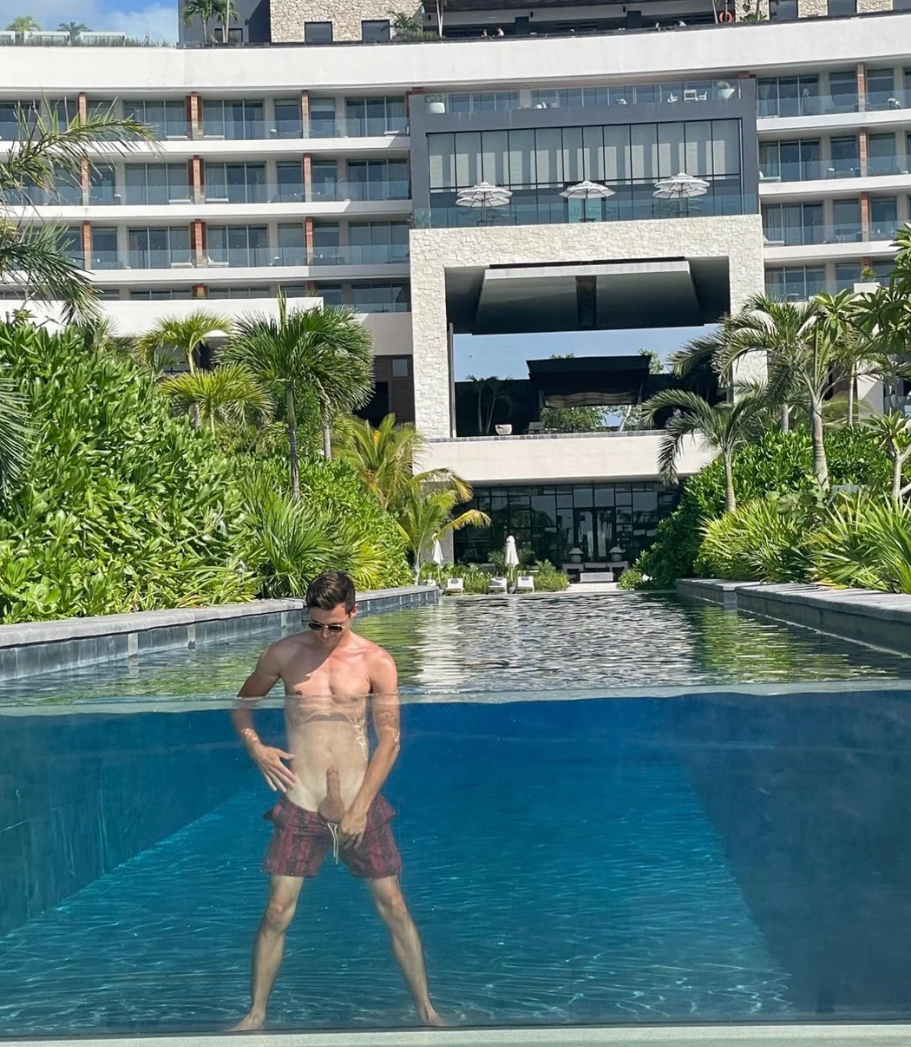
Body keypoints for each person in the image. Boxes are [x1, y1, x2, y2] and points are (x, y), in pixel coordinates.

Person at [229, 571, 442, 1031]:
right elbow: (242, 704)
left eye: (334, 626)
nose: (324, 635)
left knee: (394, 906)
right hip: (301, 799)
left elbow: (390, 740)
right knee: (276, 911)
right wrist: (257, 748)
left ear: (354, 612)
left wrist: (361, 807)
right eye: (315, 625)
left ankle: (427, 1011)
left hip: (358, 800)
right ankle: (255, 1015)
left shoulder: (376, 661)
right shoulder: (284, 654)